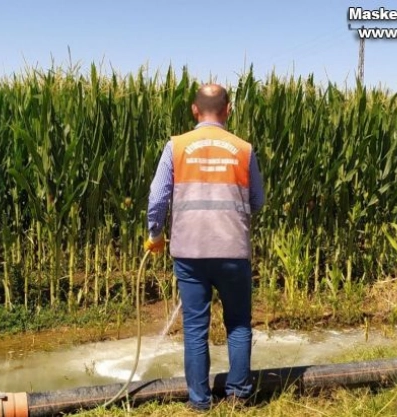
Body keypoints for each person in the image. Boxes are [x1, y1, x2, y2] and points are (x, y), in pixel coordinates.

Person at [144, 83, 265, 411]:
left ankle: (199, 402)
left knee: (196, 329)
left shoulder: (176, 146)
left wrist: (155, 234)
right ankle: (238, 396)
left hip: (190, 253)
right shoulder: (244, 149)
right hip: (233, 250)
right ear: (228, 110)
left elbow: (157, 198)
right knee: (238, 324)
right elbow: (257, 200)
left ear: (195, 110)